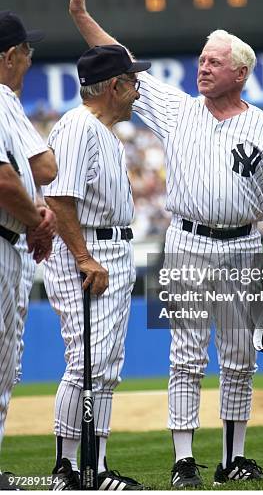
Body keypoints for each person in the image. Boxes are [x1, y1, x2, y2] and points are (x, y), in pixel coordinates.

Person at [70, 0, 263, 488]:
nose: (202, 68)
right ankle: (183, 461)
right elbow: (120, 58)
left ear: (239, 73)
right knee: (186, 355)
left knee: (241, 357)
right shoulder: (177, 110)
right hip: (187, 243)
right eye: (201, 59)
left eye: (214, 62)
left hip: (244, 244)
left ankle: (233, 457)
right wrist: (84, 18)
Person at [42, 44, 151, 490]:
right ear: (112, 86)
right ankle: (68, 469)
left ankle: (97, 466)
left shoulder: (102, 130)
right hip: (87, 253)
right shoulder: (77, 126)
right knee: (86, 363)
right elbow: (58, 196)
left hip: (111, 251)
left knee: (104, 365)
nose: (137, 87)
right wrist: (85, 256)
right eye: (131, 80)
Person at [0, 11, 56, 489]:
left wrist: (33, 217)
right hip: (2, 240)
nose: (30, 60)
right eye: (26, 52)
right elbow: (0, 179)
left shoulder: (7, 103)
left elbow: (40, 170)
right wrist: (36, 220)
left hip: (10, 239)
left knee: (4, 365)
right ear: (9, 56)